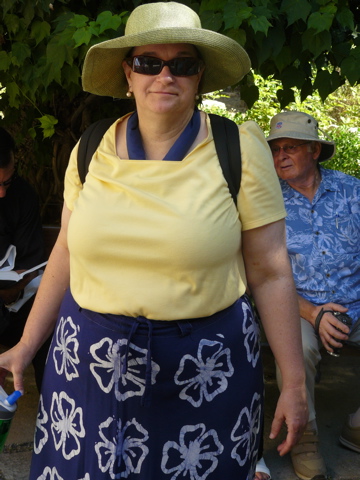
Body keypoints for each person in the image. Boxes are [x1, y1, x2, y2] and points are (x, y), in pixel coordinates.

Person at [0, 3, 307, 479]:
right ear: (128, 71)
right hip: (90, 368)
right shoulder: (90, 148)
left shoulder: (238, 149)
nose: (165, 75)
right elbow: (65, 251)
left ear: (199, 75)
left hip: (205, 371)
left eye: (182, 64)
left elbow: (270, 269)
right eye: (149, 62)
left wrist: (293, 379)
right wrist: (25, 343)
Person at [266, 110, 360, 480]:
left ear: (315, 151)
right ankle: (304, 434)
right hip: (296, 307)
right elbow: (262, 275)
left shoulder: (352, 191)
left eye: (290, 147)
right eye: (275, 150)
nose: (280, 157)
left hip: (355, 303)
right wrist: (313, 313)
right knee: (298, 346)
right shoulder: (267, 201)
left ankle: (356, 426)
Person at [0, 126, 49, 392]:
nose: (1, 194)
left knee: (49, 330)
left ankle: (51, 418)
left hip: (12, 304)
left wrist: (17, 285)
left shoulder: (23, 195)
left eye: (6, 182)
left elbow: (31, 264)